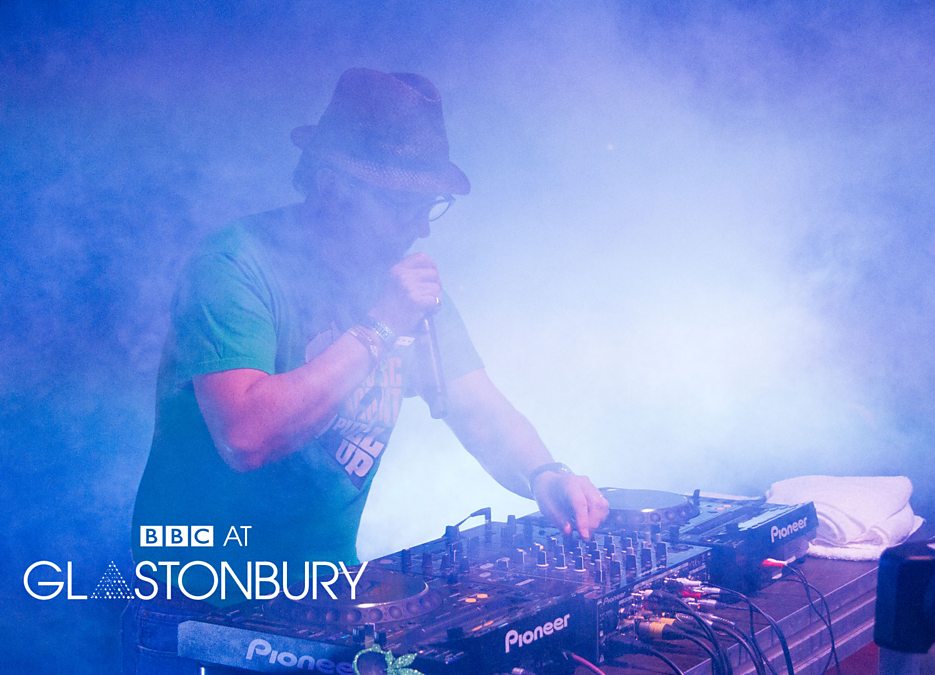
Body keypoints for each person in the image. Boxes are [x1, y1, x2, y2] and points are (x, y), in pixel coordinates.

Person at [122, 68, 609, 673]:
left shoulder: (401, 288)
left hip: (330, 596)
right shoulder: (233, 265)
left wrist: (543, 473)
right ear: (333, 184)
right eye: (402, 204)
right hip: (201, 606)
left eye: (428, 205)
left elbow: (478, 409)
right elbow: (247, 436)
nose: (420, 226)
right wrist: (381, 325)